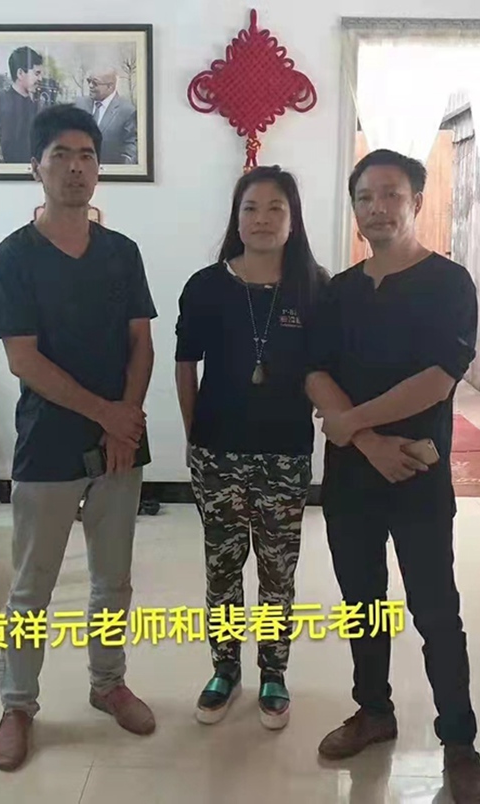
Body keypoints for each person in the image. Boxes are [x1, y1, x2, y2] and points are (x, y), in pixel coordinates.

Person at [305, 149, 480, 803]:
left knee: (435, 610)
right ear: (354, 208)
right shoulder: (338, 291)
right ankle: (374, 711)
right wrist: (367, 441)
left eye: (391, 194)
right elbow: (313, 370)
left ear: (416, 202)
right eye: (365, 197)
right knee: (363, 603)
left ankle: (459, 741)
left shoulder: (449, 283)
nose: (377, 208)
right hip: (352, 478)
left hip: (418, 473)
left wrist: (353, 425)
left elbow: (439, 379)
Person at [0, 104, 157, 772]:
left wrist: (126, 417)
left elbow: (141, 342)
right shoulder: (14, 257)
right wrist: (107, 414)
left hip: (120, 443)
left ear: (99, 168)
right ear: (36, 166)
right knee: (32, 586)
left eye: (87, 154)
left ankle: (107, 683)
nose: (76, 167)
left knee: (113, 579)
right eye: (61, 154)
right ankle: (17, 704)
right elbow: (23, 359)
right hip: (48, 445)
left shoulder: (122, 253)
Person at [175, 166, 328, 730]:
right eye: (250, 208)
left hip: (285, 454)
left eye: (275, 208)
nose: (262, 219)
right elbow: (185, 365)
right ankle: (223, 669)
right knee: (222, 568)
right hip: (217, 453)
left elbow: (325, 369)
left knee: (277, 572)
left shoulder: (315, 288)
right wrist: (195, 437)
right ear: (236, 218)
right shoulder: (206, 286)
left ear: (293, 220)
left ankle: (273, 672)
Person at [75, 69, 137, 164]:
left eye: (95, 83)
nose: (90, 86)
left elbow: (131, 145)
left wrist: (122, 168)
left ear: (110, 86)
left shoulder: (127, 111)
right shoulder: (79, 104)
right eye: (89, 81)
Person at [0, 46, 43, 164]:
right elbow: (12, 152)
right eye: (37, 73)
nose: (40, 78)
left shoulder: (30, 103)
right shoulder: (8, 107)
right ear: (20, 73)